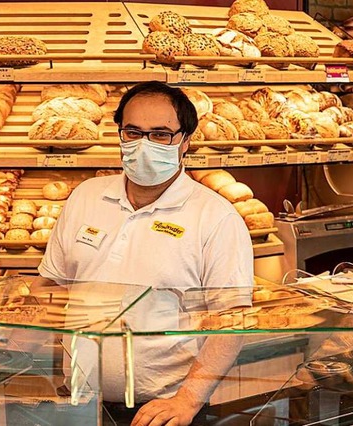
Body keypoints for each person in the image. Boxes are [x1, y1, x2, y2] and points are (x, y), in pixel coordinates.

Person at [39, 81, 254, 426]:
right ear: (120, 134)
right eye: (133, 132)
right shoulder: (85, 197)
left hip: (164, 412)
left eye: (160, 134)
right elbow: (51, 288)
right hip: (78, 402)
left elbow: (233, 320)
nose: (144, 144)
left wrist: (187, 400)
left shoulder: (215, 217)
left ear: (186, 141)